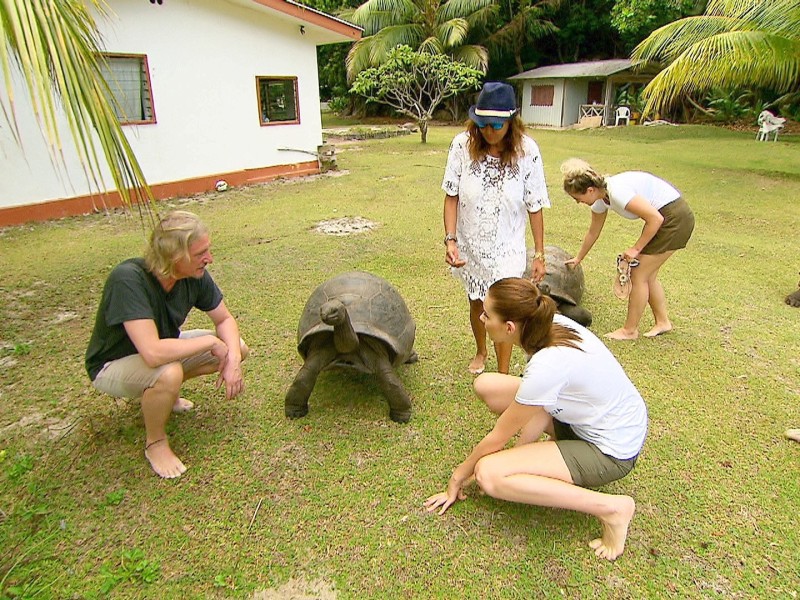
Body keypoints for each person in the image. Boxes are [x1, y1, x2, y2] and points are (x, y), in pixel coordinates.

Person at [425, 277, 647, 561]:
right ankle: (541, 460)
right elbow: (540, 406)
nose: (481, 318)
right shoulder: (547, 324)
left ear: (509, 328)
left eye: (487, 314)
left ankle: (612, 508)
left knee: (489, 474)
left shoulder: (547, 365)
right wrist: (521, 459)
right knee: (487, 386)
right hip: (594, 420)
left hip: (610, 451)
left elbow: (498, 436)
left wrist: (458, 476)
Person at [85, 210, 248, 479]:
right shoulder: (128, 279)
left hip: (158, 351)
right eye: (200, 254)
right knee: (168, 371)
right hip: (112, 364)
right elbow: (152, 353)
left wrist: (231, 360)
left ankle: (165, 395)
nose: (209, 259)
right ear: (174, 257)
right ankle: (156, 442)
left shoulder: (194, 276)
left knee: (237, 348)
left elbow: (225, 318)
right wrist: (209, 341)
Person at [442, 81, 550, 375]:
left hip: (507, 247)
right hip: (471, 243)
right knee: (477, 302)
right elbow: (451, 195)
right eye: (483, 124)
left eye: (496, 125)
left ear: (511, 122)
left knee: (503, 311)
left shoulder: (528, 151)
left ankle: (502, 372)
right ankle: (480, 351)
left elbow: (535, 204)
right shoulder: (462, 145)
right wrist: (451, 241)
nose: (489, 131)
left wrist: (539, 253)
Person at [560, 158, 695, 340]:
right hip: (666, 218)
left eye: (578, 198)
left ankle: (630, 330)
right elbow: (593, 232)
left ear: (590, 190)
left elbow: (655, 219)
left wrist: (635, 249)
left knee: (639, 274)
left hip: (674, 218)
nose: (578, 202)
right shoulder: (601, 199)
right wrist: (579, 258)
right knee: (649, 275)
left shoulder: (617, 192)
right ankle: (663, 322)